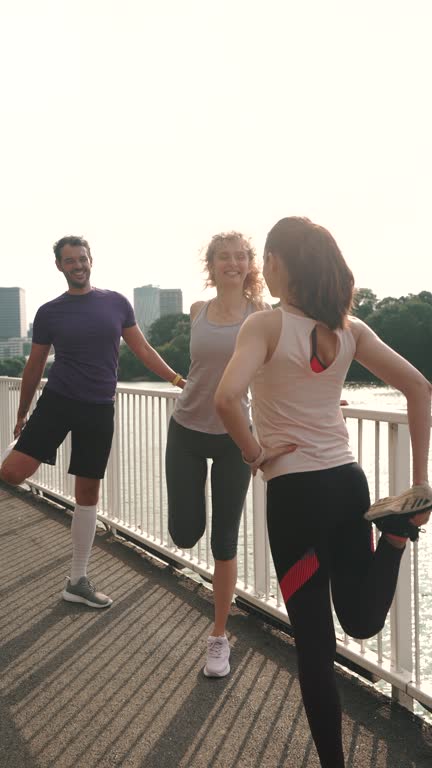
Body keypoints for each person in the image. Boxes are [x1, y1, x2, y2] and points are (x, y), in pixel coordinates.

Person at [214, 217, 432, 768]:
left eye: (267, 256)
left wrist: (256, 453)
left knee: (315, 647)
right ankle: (397, 537)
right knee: (360, 620)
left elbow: (226, 399)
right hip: (347, 484)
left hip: (296, 500)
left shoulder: (264, 326)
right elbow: (419, 388)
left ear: (283, 264)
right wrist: (421, 481)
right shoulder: (351, 328)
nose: (262, 267)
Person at [0, 235, 185, 609]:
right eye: (70, 260)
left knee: (88, 494)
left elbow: (143, 349)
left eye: (82, 258)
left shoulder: (116, 303)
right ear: (60, 266)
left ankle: (77, 580)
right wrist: (22, 412)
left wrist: (180, 381)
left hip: (99, 409)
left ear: (90, 260)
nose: (77, 264)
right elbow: (34, 364)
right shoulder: (50, 312)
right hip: (58, 402)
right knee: (13, 471)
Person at [166, 231, 275, 678]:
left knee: (223, 542)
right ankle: (189, 529)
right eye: (223, 257)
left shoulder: (262, 315)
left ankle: (218, 639)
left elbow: (276, 374)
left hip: (234, 439)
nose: (232, 263)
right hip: (186, 432)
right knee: (185, 534)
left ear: (251, 264)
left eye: (240, 256)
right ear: (210, 266)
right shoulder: (197, 311)